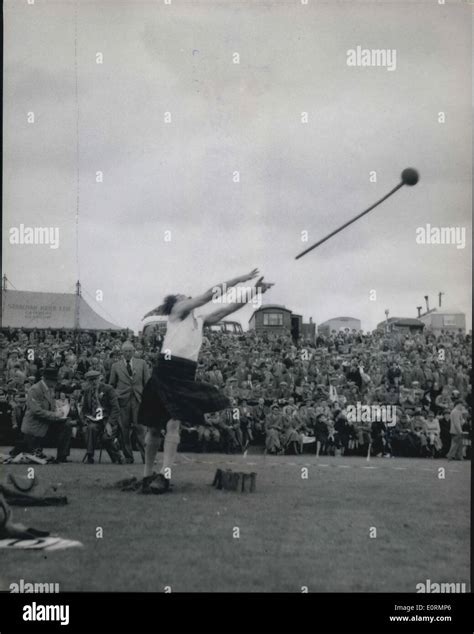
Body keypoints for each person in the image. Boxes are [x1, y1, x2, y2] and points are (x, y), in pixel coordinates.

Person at [138, 269, 273, 493]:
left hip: (184, 373)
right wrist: (240, 279)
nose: (186, 296)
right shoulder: (177, 311)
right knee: (153, 428)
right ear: (176, 302)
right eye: (182, 295)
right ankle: (146, 475)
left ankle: (164, 476)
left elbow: (229, 308)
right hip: (166, 370)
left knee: (174, 423)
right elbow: (209, 295)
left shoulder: (200, 320)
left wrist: (254, 291)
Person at [20, 366, 73, 463]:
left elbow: (51, 407)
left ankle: (62, 456)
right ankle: (35, 448)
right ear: (46, 379)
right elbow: (37, 411)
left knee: (67, 424)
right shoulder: (34, 389)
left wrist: (60, 412)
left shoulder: (50, 389)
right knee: (29, 455)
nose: (56, 383)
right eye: (54, 380)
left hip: (46, 424)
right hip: (35, 427)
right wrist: (55, 415)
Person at [109, 341, 150, 464]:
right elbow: (111, 384)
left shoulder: (142, 364)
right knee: (124, 430)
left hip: (138, 400)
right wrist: (116, 394)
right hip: (123, 401)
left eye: (130, 351)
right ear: (122, 353)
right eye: (125, 351)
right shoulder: (115, 366)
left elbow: (147, 383)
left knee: (141, 429)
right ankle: (128, 457)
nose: (127, 353)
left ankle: (146, 458)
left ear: (133, 351)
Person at [81, 370, 125, 464]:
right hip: (94, 420)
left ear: (99, 379)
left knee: (106, 437)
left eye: (95, 379)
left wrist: (110, 423)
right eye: (90, 380)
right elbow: (84, 409)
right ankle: (90, 456)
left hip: (108, 419)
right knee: (90, 428)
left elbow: (116, 408)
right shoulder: (87, 391)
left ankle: (118, 457)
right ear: (88, 381)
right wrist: (85, 419)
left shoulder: (108, 389)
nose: (93, 382)